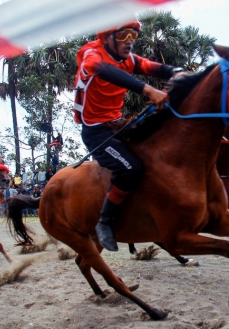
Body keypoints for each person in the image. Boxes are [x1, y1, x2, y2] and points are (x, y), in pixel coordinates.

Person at [73, 21, 184, 251]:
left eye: (133, 34)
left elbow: (155, 67)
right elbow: (104, 69)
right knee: (130, 168)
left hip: (118, 124)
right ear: (107, 37)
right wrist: (147, 89)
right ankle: (105, 223)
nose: (130, 40)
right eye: (124, 34)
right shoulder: (92, 56)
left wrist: (178, 72)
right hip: (96, 132)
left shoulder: (129, 59)